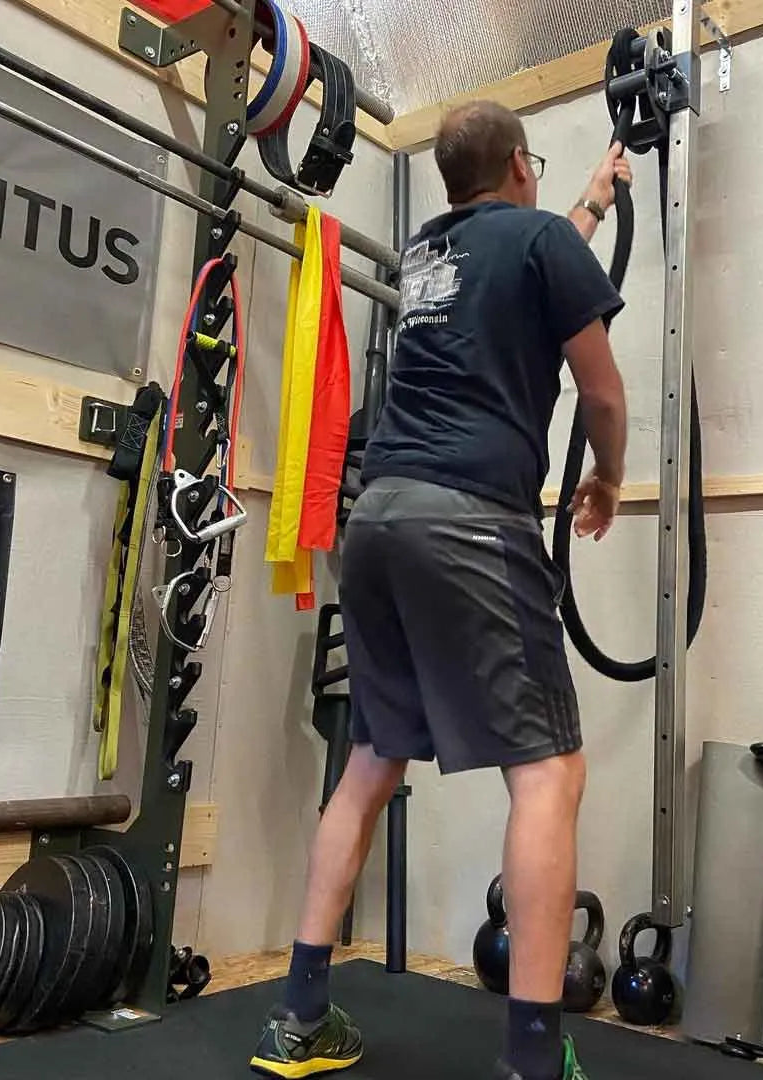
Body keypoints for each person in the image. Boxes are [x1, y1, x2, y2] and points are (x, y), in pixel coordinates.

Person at [250, 99, 631, 1080]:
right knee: (549, 773)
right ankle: (535, 1061)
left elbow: (525, 269)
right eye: (536, 169)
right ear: (516, 166)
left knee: (373, 758)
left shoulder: (431, 252)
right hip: (467, 518)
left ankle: (298, 1019)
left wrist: (590, 200)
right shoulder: (536, 235)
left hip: (376, 519)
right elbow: (601, 391)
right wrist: (607, 475)